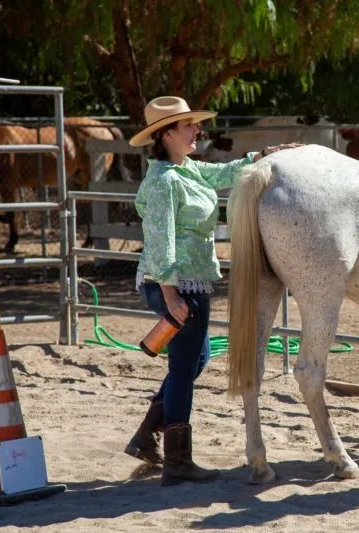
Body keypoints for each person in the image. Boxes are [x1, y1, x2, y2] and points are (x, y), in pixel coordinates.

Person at [124, 96, 300, 486]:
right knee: (185, 368)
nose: (196, 131)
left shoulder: (186, 171)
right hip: (178, 283)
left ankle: (148, 438)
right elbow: (160, 241)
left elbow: (225, 173)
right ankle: (177, 462)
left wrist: (266, 154)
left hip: (189, 281)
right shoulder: (166, 181)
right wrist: (171, 295)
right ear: (165, 134)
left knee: (195, 358)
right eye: (188, 126)